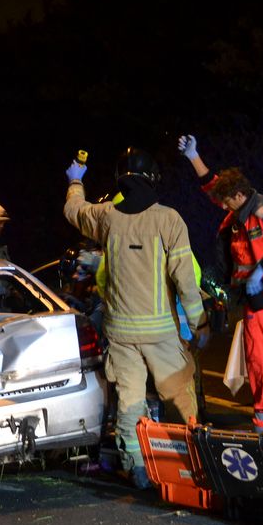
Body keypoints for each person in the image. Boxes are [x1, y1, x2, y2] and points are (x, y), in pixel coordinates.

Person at [64, 147, 208, 489]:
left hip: (121, 333)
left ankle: (138, 469)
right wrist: (199, 324)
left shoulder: (107, 217)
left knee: (130, 402)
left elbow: (74, 210)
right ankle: (191, 464)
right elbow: (186, 280)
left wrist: (74, 180)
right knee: (179, 396)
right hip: (160, 333)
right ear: (153, 178)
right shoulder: (168, 220)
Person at [178, 134, 263, 436]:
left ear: (236, 196)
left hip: (262, 296)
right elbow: (213, 186)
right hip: (260, 295)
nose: (219, 206)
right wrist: (194, 157)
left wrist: (261, 271)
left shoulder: (261, 213)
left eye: (224, 201)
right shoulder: (243, 209)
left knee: (258, 358)